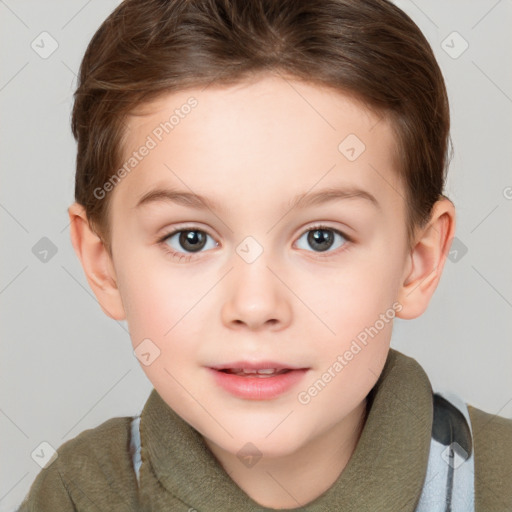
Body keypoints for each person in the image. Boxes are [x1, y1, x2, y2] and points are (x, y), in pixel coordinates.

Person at [18, 0, 512, 510]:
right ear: (104, 264)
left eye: (322, 237)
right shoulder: (78, 496)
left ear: (419, 261)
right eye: (191, 238)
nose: (255, 306)